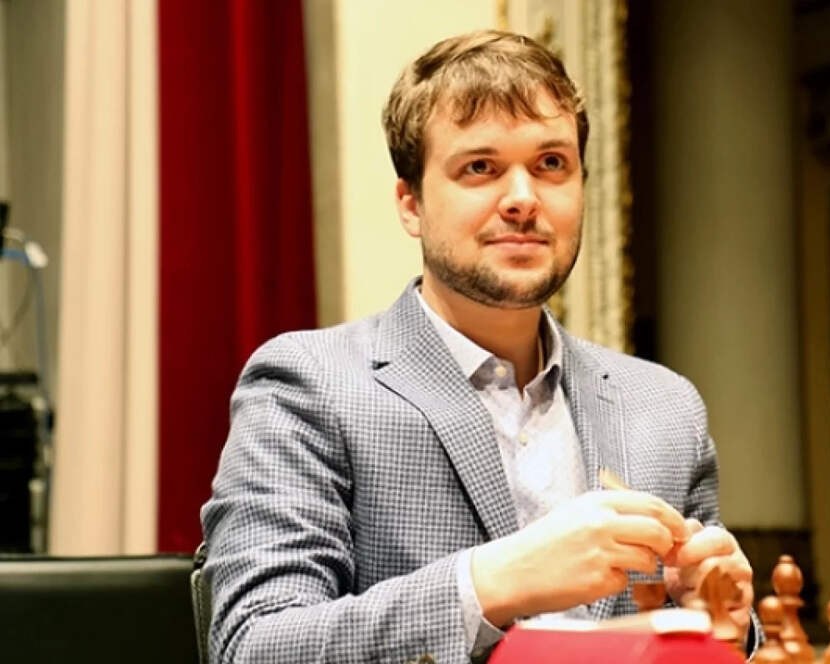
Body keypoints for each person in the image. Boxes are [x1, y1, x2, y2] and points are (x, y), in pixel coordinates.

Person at [201, 30, 757, 664]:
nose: (522, 199)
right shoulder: (308, 385)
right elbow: (255, 644)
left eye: (551, 164)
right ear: (411, 204)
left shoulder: (665, 407)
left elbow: (704, 636)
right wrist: (496, 581)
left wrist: (727, 628)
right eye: (480, 168)